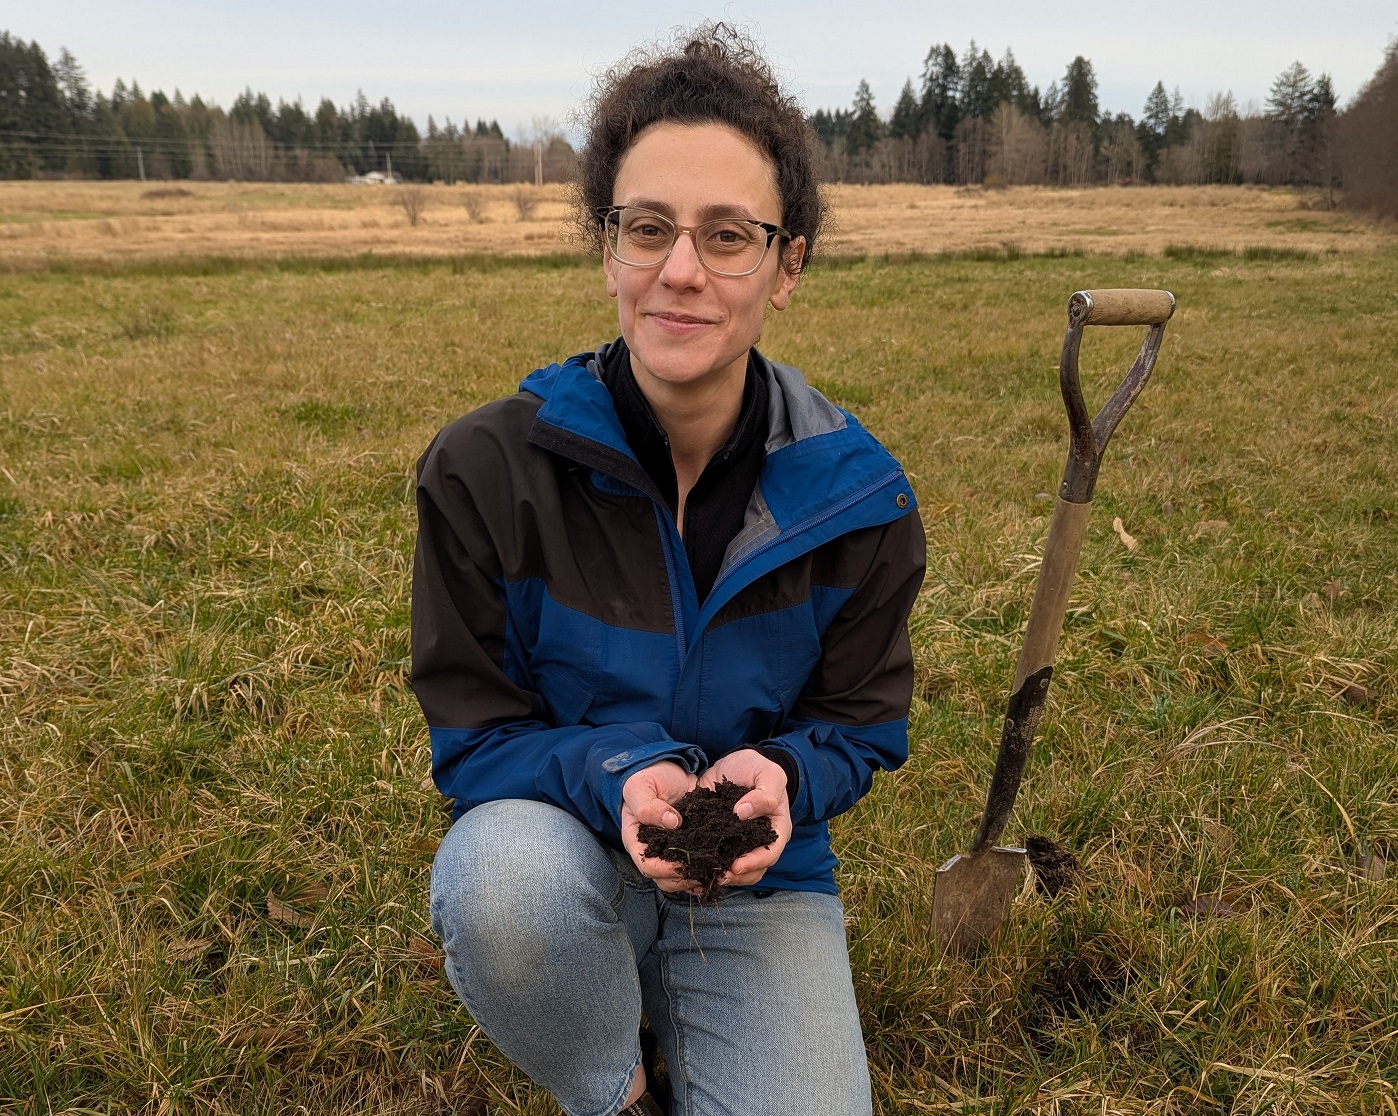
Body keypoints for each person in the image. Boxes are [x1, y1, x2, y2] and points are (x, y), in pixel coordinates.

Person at [412, 25, 925, 1116]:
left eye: (729, 235)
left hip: (758, 887)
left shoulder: (861, 498)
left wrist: (787, 781)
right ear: (608, 250)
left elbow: (861, 726)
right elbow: (473, 742)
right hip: (571, 846)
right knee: (502, 886)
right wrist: (616, 777)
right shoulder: (484, 471)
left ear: (788, 267)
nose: (680, 271)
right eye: (648, 228)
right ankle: (620, 1087)